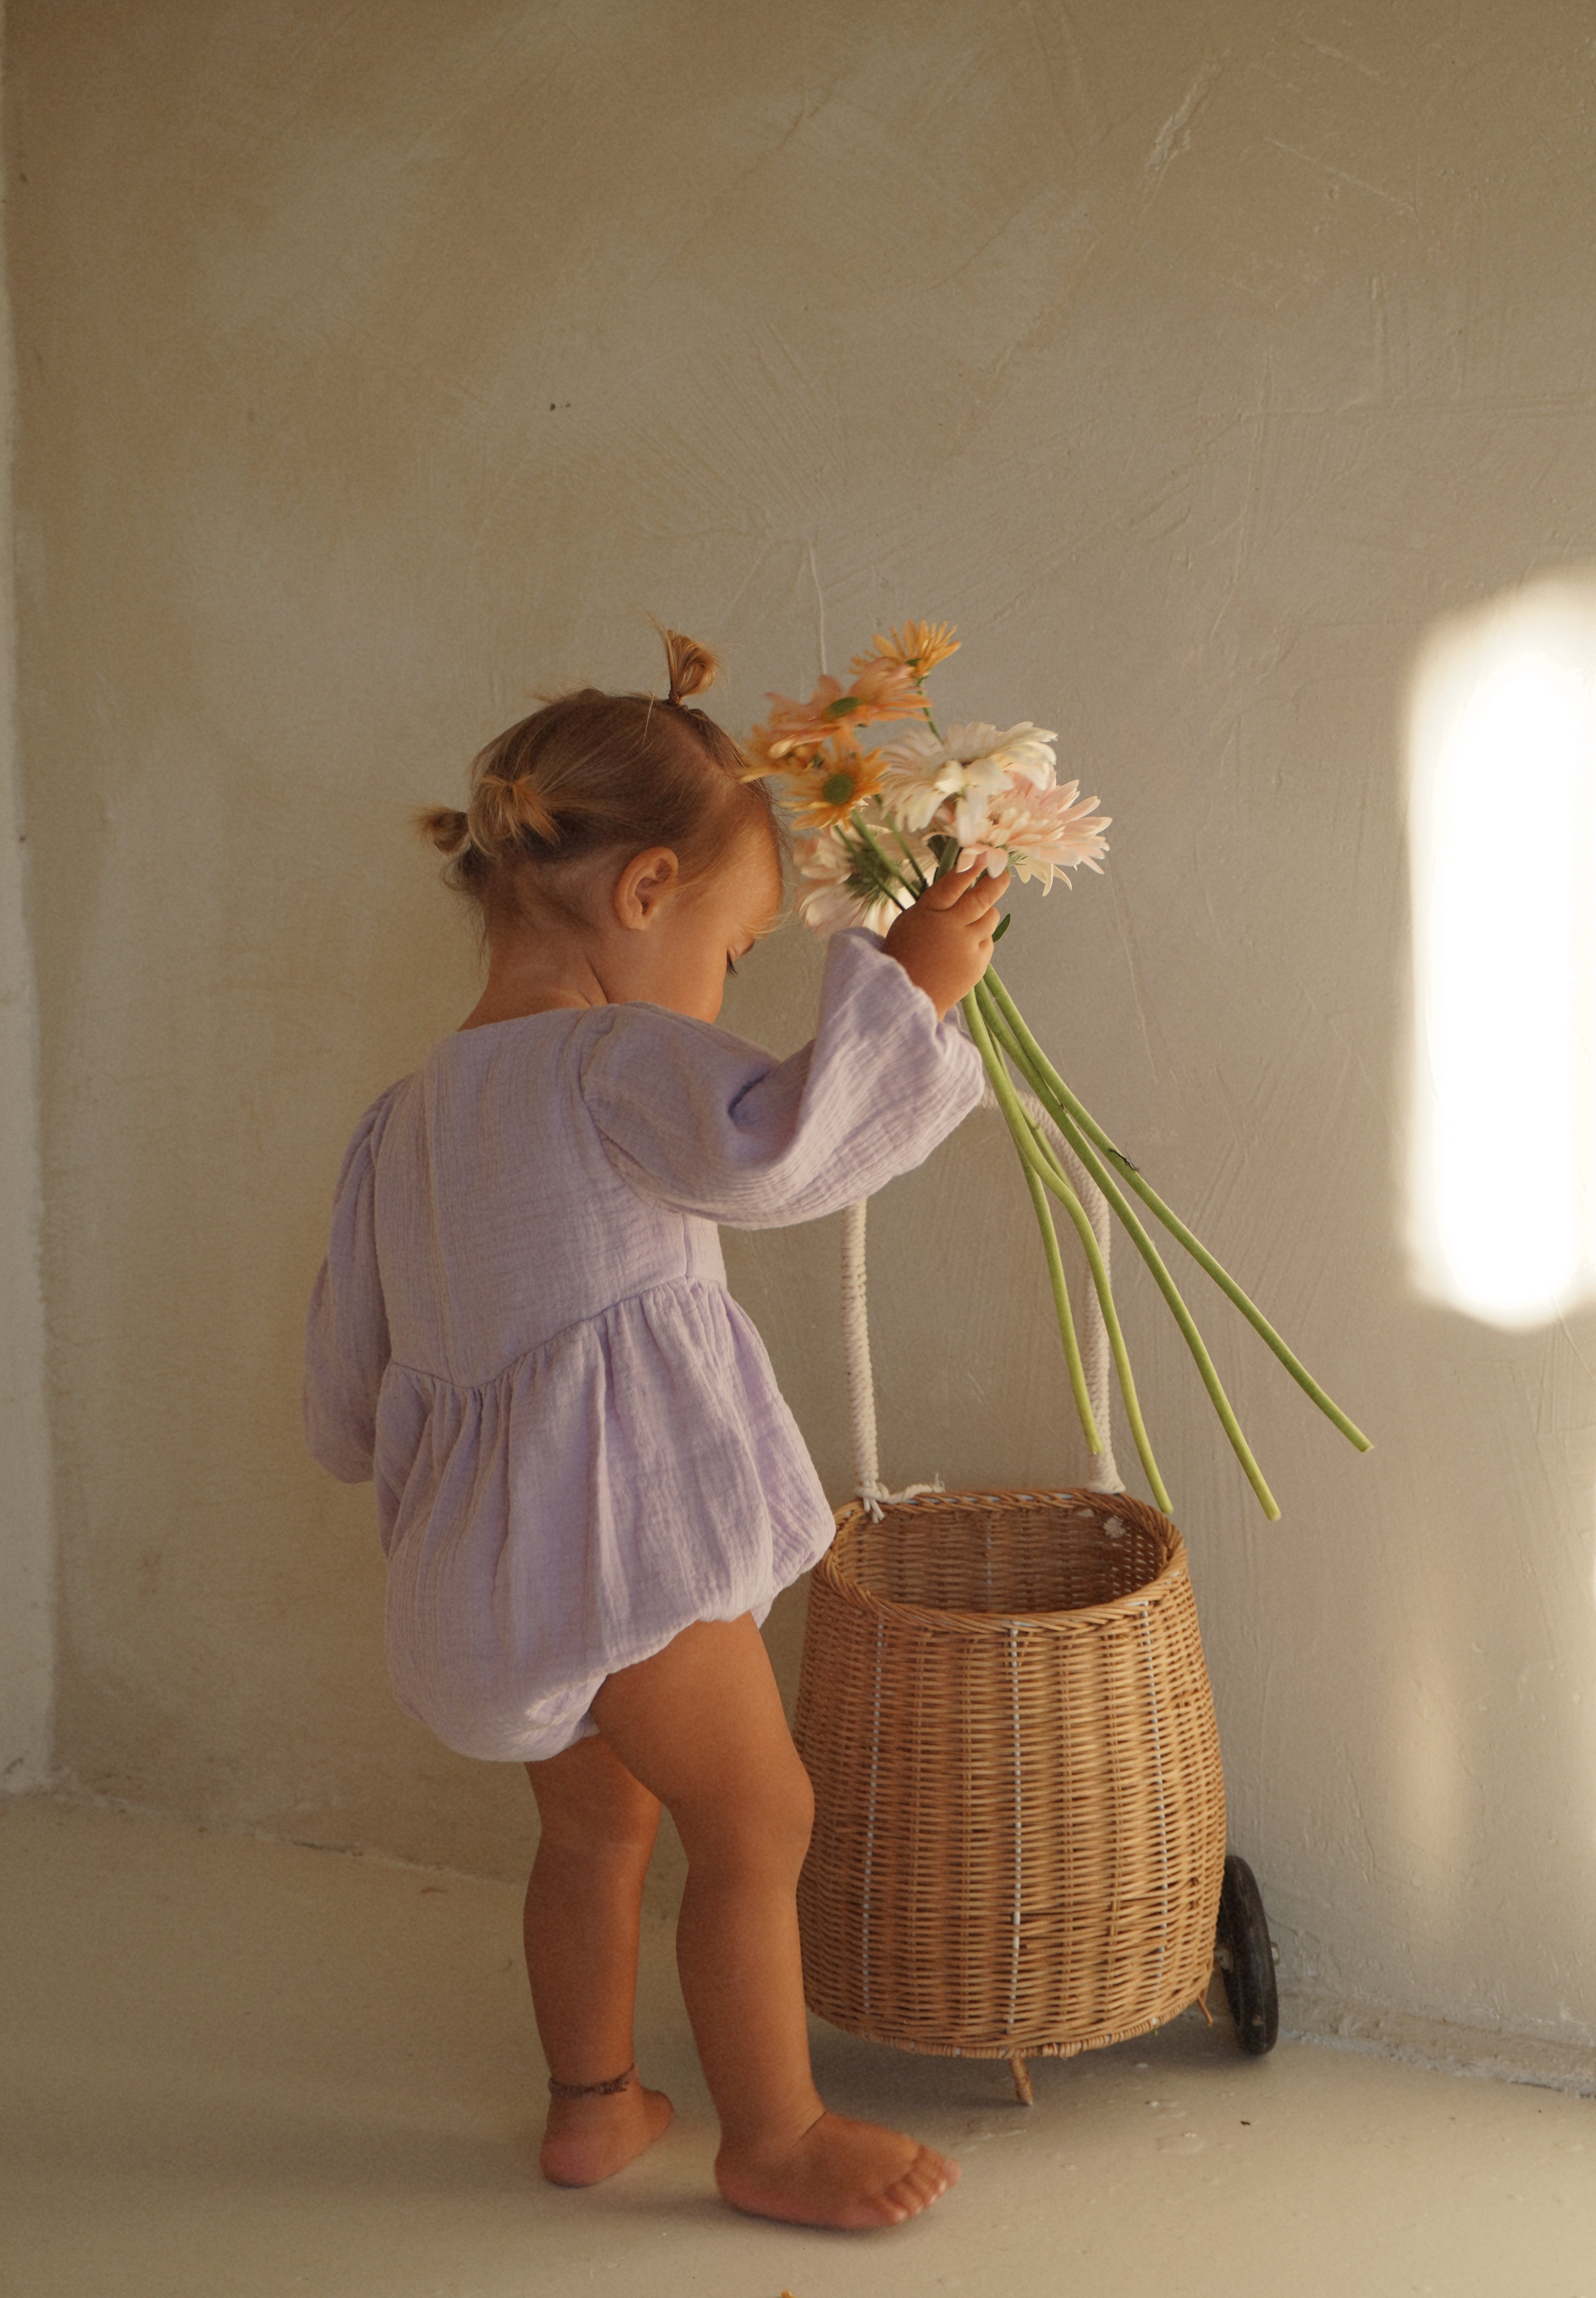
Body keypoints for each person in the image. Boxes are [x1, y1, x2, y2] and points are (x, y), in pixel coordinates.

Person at [304, 629, 1006, 2231]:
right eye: (736, 947)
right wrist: (911, 998)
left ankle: (592, 2105)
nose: (724, 988)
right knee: (759, 1819)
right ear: (642, 897)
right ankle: (773, 2135)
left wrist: (375, 1456)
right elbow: (775, 1153)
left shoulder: (403, 1117)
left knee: (595, 1825)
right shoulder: (616, 1056)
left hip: (474, 1582)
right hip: (624, 1547)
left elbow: (350, 1366)